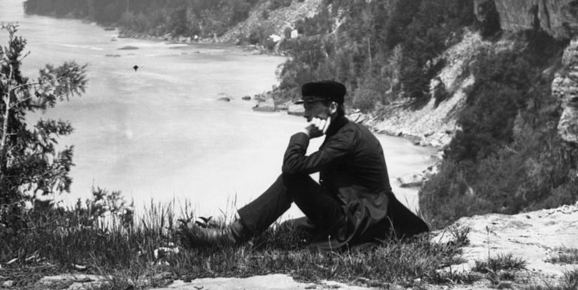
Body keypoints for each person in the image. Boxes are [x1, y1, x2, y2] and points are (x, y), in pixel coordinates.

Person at [181, 80, 429, 250]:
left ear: (332, 107)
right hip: (360, 213)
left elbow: (292, 169)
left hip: (362, 221)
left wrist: (303, 135)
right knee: (289, 229)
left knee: (292, 181)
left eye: (311, 106)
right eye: (305, 105)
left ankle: (231, 237)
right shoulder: (343, 131)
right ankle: (234, 230)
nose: (305, 113)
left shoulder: (346, 138)